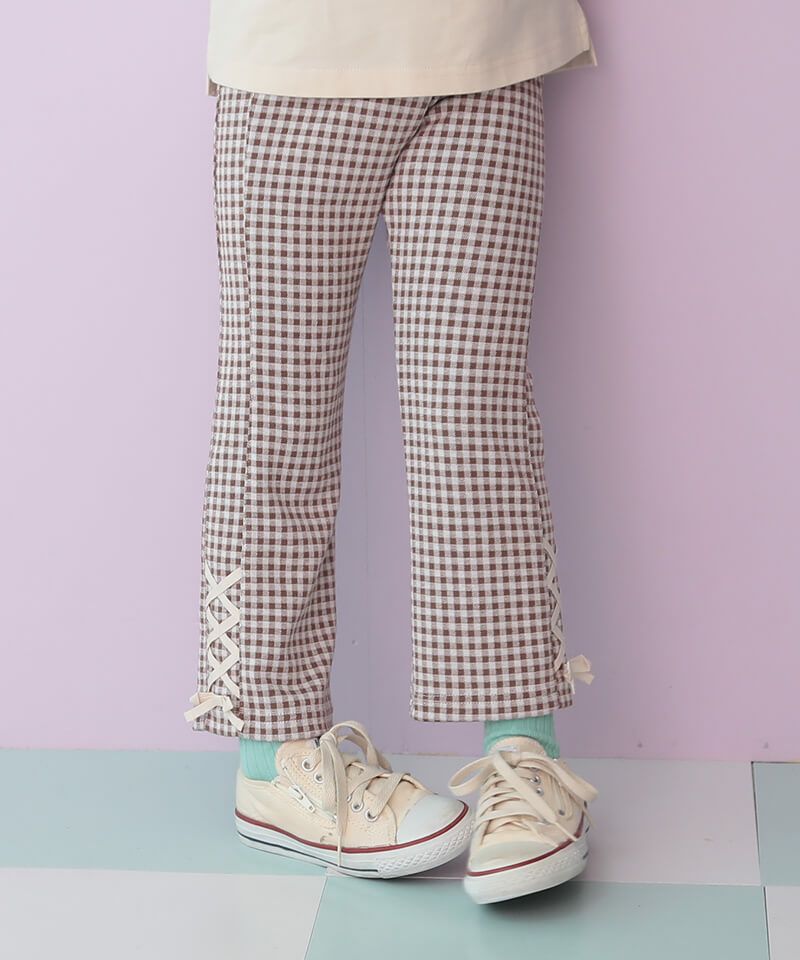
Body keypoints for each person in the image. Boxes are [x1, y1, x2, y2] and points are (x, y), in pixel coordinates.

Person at [184, 0, 600, 905]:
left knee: (475, 414)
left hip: (487, 45)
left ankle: (521, 750)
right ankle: (275, 759)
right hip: (295, 58)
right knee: (276, 419)